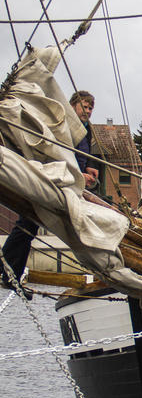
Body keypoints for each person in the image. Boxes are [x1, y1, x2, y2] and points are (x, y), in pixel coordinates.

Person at [1, 89, 98, 298]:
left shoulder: (86, 131)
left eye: (91, 108)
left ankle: (10, 275)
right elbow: (57, 154)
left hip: (72, 187)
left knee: (30, 225)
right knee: (28, 223)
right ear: (73, 106)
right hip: (57, 181)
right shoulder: (64, 126)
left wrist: (88, 167)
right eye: (84, 106)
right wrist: (79, 173)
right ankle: (9, 273)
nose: (88, 111)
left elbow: (81, 155)